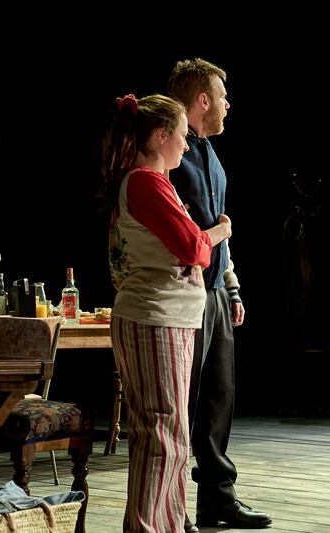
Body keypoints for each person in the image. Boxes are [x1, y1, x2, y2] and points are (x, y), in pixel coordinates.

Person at [101, 93, 232, 532]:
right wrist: (219, 231)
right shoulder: (145, 181)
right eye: (179, 135)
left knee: (168, 435)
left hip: (167, 318)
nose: (183, 144)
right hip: (154, 318)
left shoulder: (154, 182)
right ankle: (147, 527)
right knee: (161, 434)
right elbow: (193, 248)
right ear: (160, 137)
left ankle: (169, 524)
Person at [167, 58, 272, 529]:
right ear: (202, 100)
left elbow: (222, 226)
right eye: (223, 97)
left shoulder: (208, 150)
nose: (229, 105)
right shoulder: (167, 148)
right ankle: (172, 507)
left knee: (217, 397)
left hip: (212, 293)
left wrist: (231, 289)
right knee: (181, 402)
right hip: (179, 291)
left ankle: (217, 500)